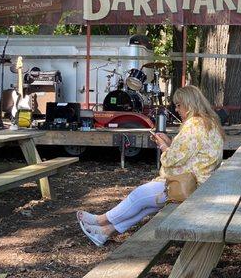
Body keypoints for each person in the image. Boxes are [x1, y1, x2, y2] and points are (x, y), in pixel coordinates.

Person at [76, 85, 224, 246]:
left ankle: (100, 220)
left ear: (188, 105)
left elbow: (172, 158)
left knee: (139, 195)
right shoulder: (209, 123)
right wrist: (169, 142)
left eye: (178, 105)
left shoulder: (194, 125)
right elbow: (189, 152)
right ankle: (104, 232)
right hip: (202, 183)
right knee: (146, 206)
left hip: (189, 185)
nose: (176, 108)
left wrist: (162, 145)